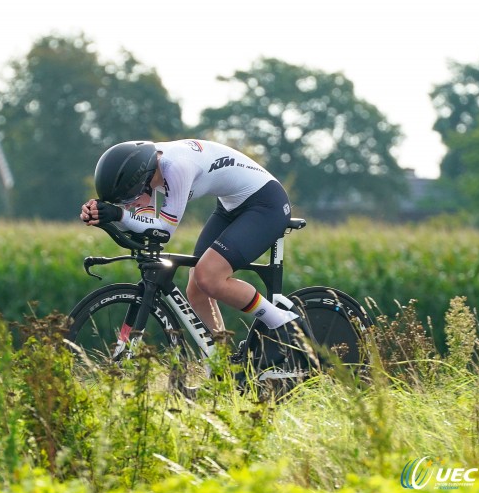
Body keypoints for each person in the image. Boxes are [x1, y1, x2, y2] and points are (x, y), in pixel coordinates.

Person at [79, 139, 310, 379]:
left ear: (141, 180)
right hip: (232, 206)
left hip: (266, 204)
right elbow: (144, 222)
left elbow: (163, 230)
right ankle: (222, 364)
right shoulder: (148, 167)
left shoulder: (176, 166)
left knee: (209, 277)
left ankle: (284, 324)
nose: (130, 203)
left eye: (129, 197)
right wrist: (103, 215)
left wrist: (118, 215)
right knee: (196, 289)